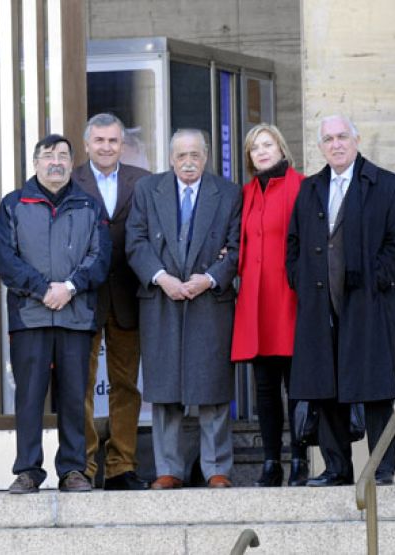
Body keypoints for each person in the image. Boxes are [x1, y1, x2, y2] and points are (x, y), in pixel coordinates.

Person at [286, 115, 395, 486]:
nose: (336, 144)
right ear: (321, 146)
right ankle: (338, 468)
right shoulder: (309, 189)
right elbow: (293, 245)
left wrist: (375, 281)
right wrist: (301, 280)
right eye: (328, 139)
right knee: (325, 388)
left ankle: (382, 470)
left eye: (342, 136)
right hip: (320, 305)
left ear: (356, 140)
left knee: (375, 391)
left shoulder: (387, 185)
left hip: (369, 305)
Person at [0, 134, 111, 494]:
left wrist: (70, 288)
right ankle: (28, 470)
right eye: (49, 156)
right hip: (30, 316)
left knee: (75, 396)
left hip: (76, 317)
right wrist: (43, 289)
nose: (56, 162)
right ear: (36, 163)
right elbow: (6, 259)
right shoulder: (14, 204)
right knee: (30, 396)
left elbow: (100, 257)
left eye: (63, 155)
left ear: (71, 162)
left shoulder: (90, 206)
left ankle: (74, 470)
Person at [126, 129, 241, 489]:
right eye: (181, 155)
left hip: (209, 300)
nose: (188, 162)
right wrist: (161, 277)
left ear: (205, 156)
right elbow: (136, 242)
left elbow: (238, 246)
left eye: (195, 154)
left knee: (213, 390)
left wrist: (209, 278)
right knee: (165, 392)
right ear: (170, 158)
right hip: (162, 299)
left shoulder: (229, 193)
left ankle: (216, 468)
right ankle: (169, 469)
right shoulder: (147, 190)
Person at [72, 114, 152, 490]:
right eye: (99, 140)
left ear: (122, 144)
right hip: (83, 299)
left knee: (126, 386)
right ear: (87, 144)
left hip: (127, 297)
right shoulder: (71, 181)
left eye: (113, 141)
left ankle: (122, 466)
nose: (106, 147)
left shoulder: (142, 181)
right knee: (82, 386)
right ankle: (84, 467)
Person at [230, 124, 308, 487]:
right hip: (255, 299)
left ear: (281, 148)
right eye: (254, 148)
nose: (260, 152)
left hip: (289, 297)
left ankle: (301, 459)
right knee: (264, 388)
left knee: (297, 384)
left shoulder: (300, 185)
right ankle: (271, 461)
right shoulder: (246, 192)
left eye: (267, 145)